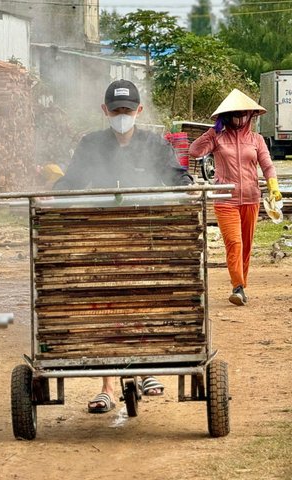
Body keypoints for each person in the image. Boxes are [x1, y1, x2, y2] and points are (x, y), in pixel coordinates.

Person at [54, 79, 192, 414]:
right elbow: (73, 181)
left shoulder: (154, 144)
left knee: (141, 300)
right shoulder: (91, 144)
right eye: (115, 110)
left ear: (139, 110)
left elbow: (176, 175)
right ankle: (107, 387)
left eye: (127, 110)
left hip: (142, 235)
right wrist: (53, 193)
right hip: (102, 237)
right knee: (107, 305)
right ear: (105, 111)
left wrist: (187, 186)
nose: (121, 116)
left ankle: (144, 370)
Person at [189, 88, 281, 307]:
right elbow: (194, 151)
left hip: (251, 198)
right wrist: (212, 131)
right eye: (235, 114)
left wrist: (273, 186)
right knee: (234, 242)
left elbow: (267, 166)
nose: (239, 118)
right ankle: (237, 286)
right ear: (227, 116)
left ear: (250, 115)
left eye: (243, 114)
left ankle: (241, 287)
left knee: (246, 246)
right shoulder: (217, 137)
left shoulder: (257, 140)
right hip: (225, 199)